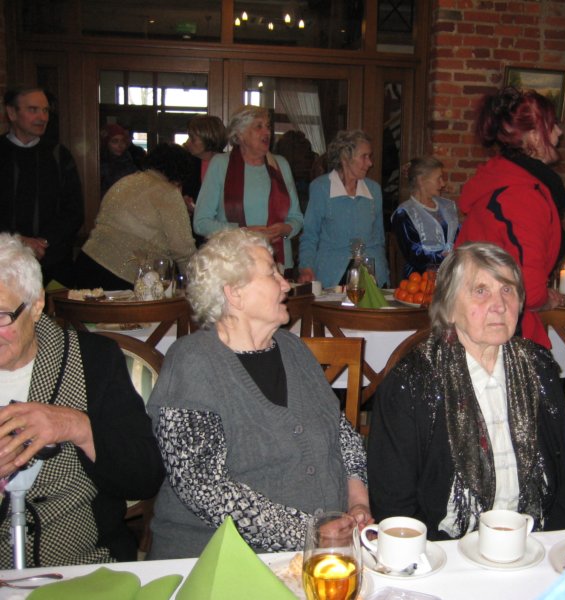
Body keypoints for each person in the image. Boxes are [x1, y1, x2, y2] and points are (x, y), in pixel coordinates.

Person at [146, 228, 371, 559]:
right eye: (272, 274)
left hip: (320, 553)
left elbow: (341, 434)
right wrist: (307, 532)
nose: (286, 285)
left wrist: (358, 502)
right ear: (235, 293)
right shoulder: (193, 362)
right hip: (218, 560)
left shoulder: (294, 350)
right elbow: (203, 488)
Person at [368, 242, 565, 540]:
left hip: (536, 542)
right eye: (481, 290)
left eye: (507, 289)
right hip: (445, 552)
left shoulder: (539, 367)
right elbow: (394, 505)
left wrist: (560, 546)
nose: (500, 305)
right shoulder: (411, 383)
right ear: (449, 307)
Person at [0, 233, 164, 567]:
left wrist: (77, 427)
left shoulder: (92, 361)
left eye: (1, 316)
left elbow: (145, 475)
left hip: (85, 566)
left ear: (36, 305)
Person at [456, 87, 565, 348]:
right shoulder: (520, 194)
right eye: (552, 125)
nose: (559, 133)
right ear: (533, 136)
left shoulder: (508, 182)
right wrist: (546, 299)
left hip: (486, 323)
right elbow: (529, 290)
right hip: (496, 332)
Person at [193, 106, 303, 275]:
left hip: (277, 265)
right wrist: (243, 233)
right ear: (240, 135)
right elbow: (201, 223)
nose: (267, 132)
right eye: (259, 126)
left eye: (268, 126)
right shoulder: (220, 165)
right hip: (233, 266)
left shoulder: (280, 165)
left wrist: (285, 229)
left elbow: (297, 218)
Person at [74, 143, 197, 290]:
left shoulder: (125, 181)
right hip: (123, 276)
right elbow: (183, 249)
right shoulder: (168, 193)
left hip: (87, 261)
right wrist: (195, 286)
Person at [0, 87, 83, 286]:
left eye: (45, 110)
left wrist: (43, 242)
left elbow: (74, 210)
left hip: (52, 262)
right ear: (11, 113)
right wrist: (19, 241)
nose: (42, 117)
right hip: (4, 262)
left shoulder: (59, 155)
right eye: (33, 110)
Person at [298, 130, 390, 288]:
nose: (370, 163)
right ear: (345, 157)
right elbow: (310, 235)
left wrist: (384, 273)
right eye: (364, 156)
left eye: (370, 157)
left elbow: (379, 239)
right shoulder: (321, 188)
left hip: (372, 275)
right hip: (333, 276)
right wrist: (306, 267)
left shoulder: (374, 190)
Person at [391, 157, 460, 277]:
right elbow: (415, 256)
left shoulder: (447, 206)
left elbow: (459, 237)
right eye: (438, 178)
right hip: (420, 279)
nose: (443, 184)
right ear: (421, 180)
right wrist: (449, 257)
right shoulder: (405, 213)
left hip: (450, 276)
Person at [100, 123, 142, 197]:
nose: (120, 145)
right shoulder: (101, 165)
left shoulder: (128, 161)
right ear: (107, 143)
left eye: (123, 141)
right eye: (115, 141)